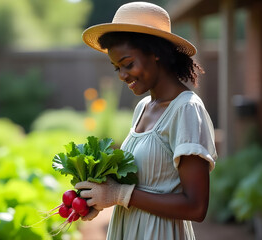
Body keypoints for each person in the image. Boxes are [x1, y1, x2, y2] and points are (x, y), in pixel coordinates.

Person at [75, 2, 218, 240]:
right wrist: (100, 196)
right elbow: (140, 184)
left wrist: (120, 194)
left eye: (128, 64)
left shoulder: (186, 110)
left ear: (156, 52)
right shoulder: (143, 108)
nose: (122, 75)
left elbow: (196, 207)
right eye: (116, 68)